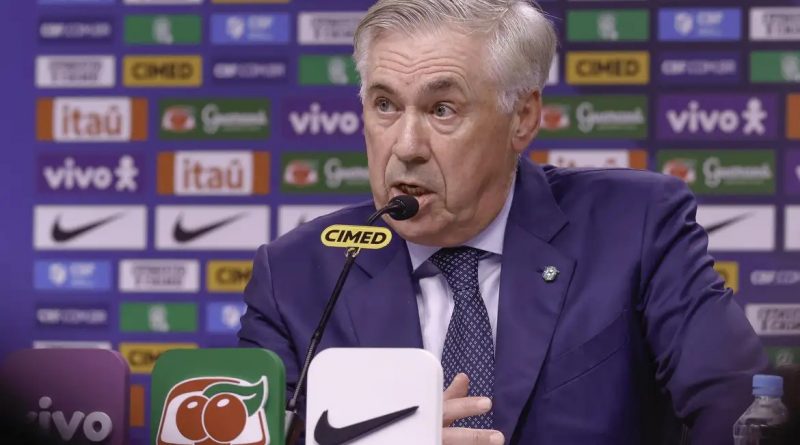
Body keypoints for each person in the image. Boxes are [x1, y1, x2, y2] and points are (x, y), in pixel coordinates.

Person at [238, 1, 768, 443]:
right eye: (385, 105)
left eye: (442, 109)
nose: (406, 146)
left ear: (523, 119)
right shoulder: (298, 276)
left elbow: (743, 414)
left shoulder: (635, 227)